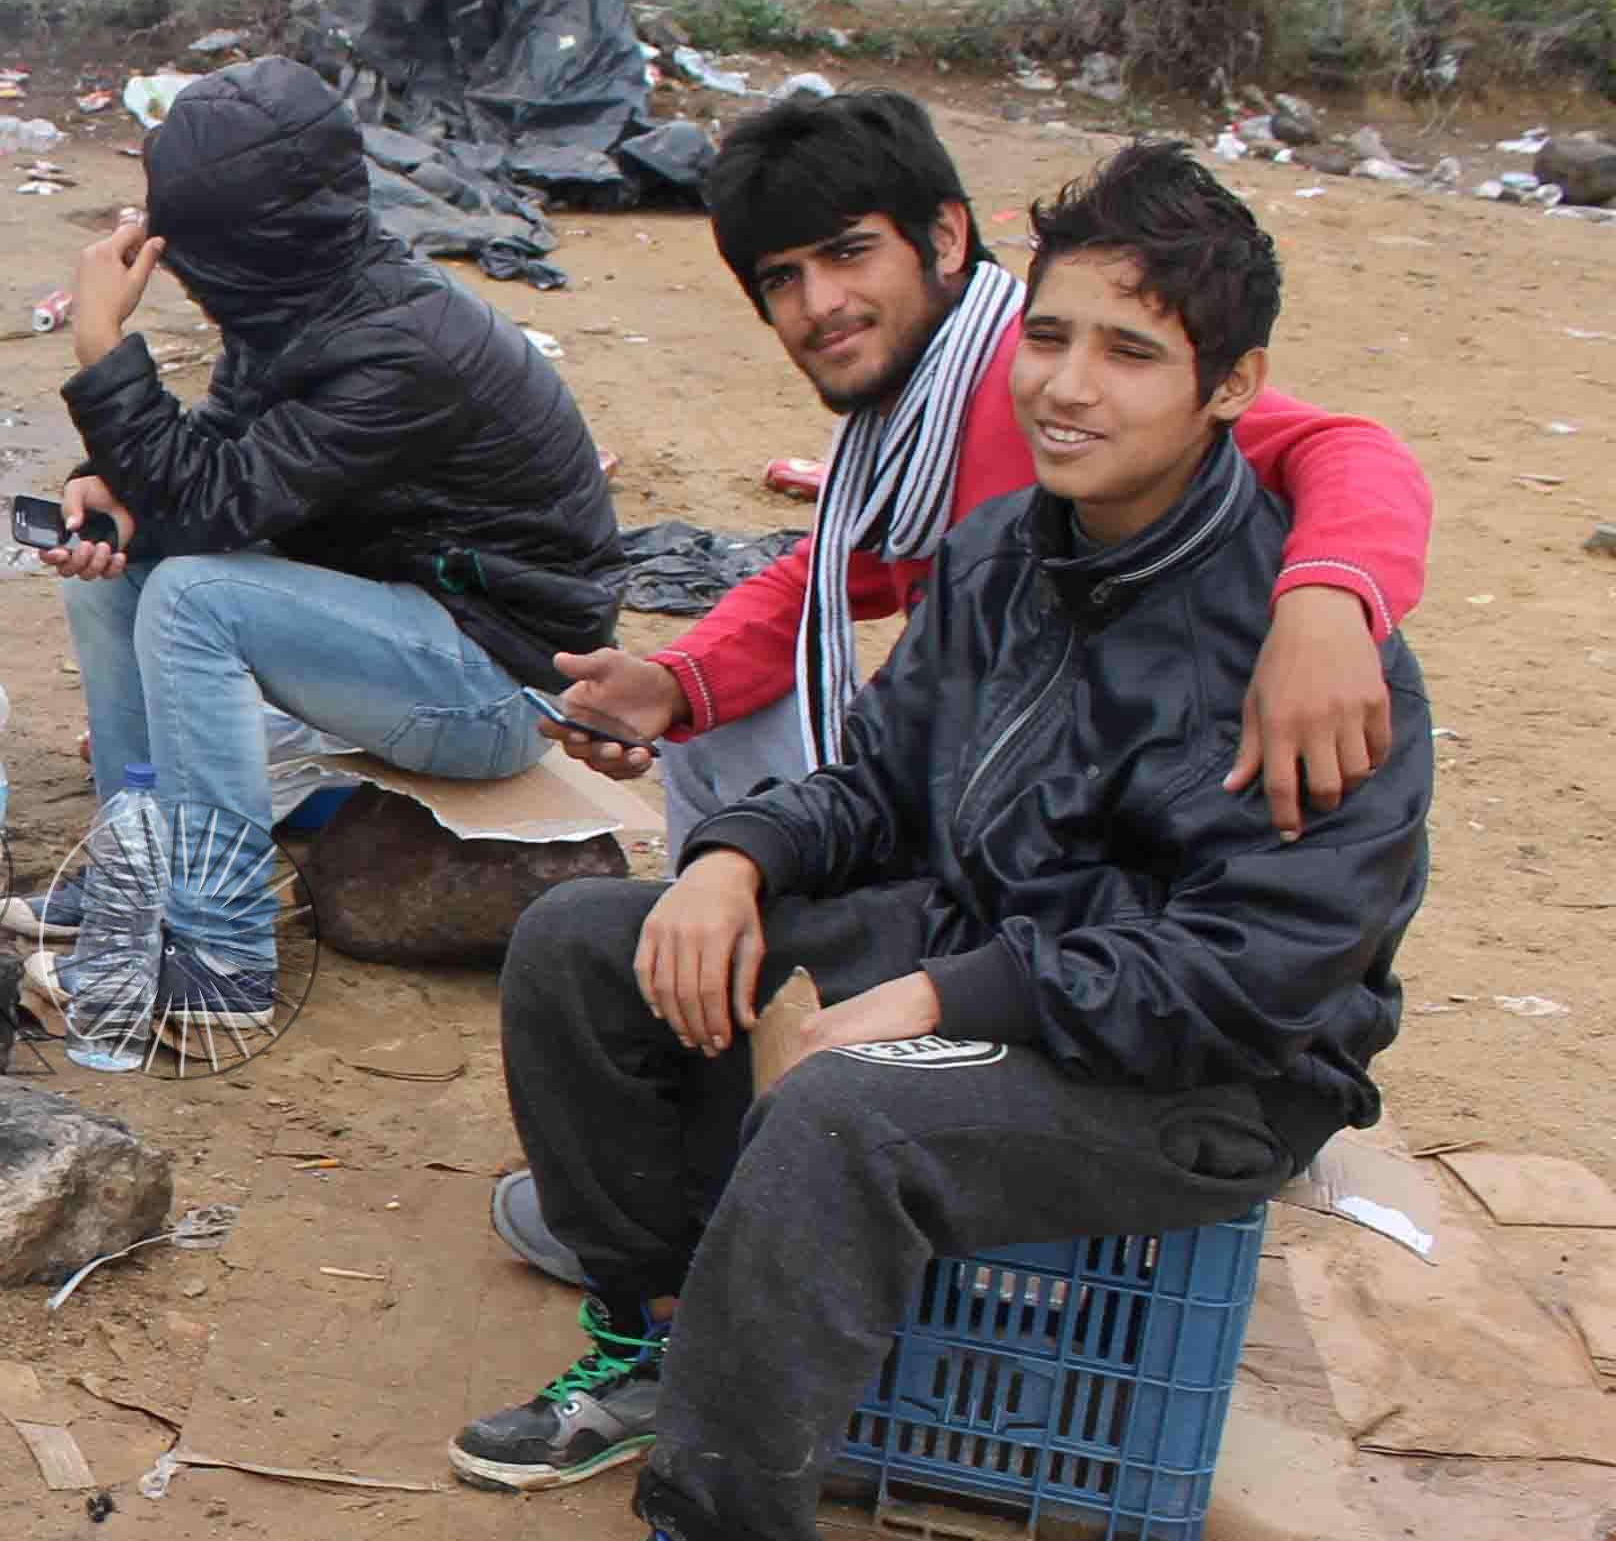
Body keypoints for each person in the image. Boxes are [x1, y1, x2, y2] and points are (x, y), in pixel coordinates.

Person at [452, 145, 1431, 1541]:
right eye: (1046, 337)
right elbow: (878, 787)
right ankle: (650, 1335)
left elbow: (1256, 969)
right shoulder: (1000, 557)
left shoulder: (1307, 645)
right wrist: (732, 855)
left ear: (1230, 385)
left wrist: (934, 997)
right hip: (1004, 941)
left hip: (1212, 1069)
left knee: (850, 1113)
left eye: (1129, 350)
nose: (1065, 384)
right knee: (581, 942)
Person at [502, 90, 1429, 1281]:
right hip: (996, 880)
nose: (820, 305)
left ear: (945, 241)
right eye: (780, 278)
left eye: (848, 255)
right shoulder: (940, 435)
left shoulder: (1054, 385)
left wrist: (1329, 593)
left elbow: (1343, 447)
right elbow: (852, 576)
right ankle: (675, 1227)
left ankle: (765, 1180)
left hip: (1118, 960)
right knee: (646, 889)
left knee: (841, 1086)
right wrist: (680, 687)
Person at [32, 56, 620, 1039]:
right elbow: (221, 468)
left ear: (241, 247)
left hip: (501, 679)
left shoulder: (400, 347)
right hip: (402, 617)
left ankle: (221, 954)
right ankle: (136, 877)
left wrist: (103, 347)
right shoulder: (306, 300)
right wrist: (118, 489)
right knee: (121, 563)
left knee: (191, 598)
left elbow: (218, 502)